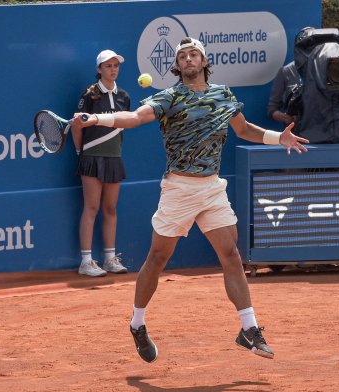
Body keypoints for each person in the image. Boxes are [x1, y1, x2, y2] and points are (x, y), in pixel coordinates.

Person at [72, 37, 310, 362]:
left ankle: (248, 328)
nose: (188, 58)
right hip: (179, 189)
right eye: (182, 56)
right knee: (157, 259)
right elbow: (137, 117)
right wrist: (98, 119)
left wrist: (276, 138)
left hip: (212, 187)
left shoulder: (223, 94)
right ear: (177, 65)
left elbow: (243, 129)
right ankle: (137, 323)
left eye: (193, 53)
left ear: (204, 60)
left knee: (231, 255)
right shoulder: (169, 97)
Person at [72, 50, 131, 277]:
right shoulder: (89, 95)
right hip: (91, 157)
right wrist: (81, 151)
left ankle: (109, 259)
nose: (113, 69)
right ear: (99, 69)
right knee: (92, 207)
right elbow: (77, 126)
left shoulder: (124, 97)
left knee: (110, 208)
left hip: (114, 156)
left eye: (116, 65)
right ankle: (86, 262)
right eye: (108, 66)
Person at [266, 61, 301, 129]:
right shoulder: (286, 71)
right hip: (296, 132)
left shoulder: (324, 68)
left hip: (322, 132)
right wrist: (287, 118)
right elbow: (272, 109)